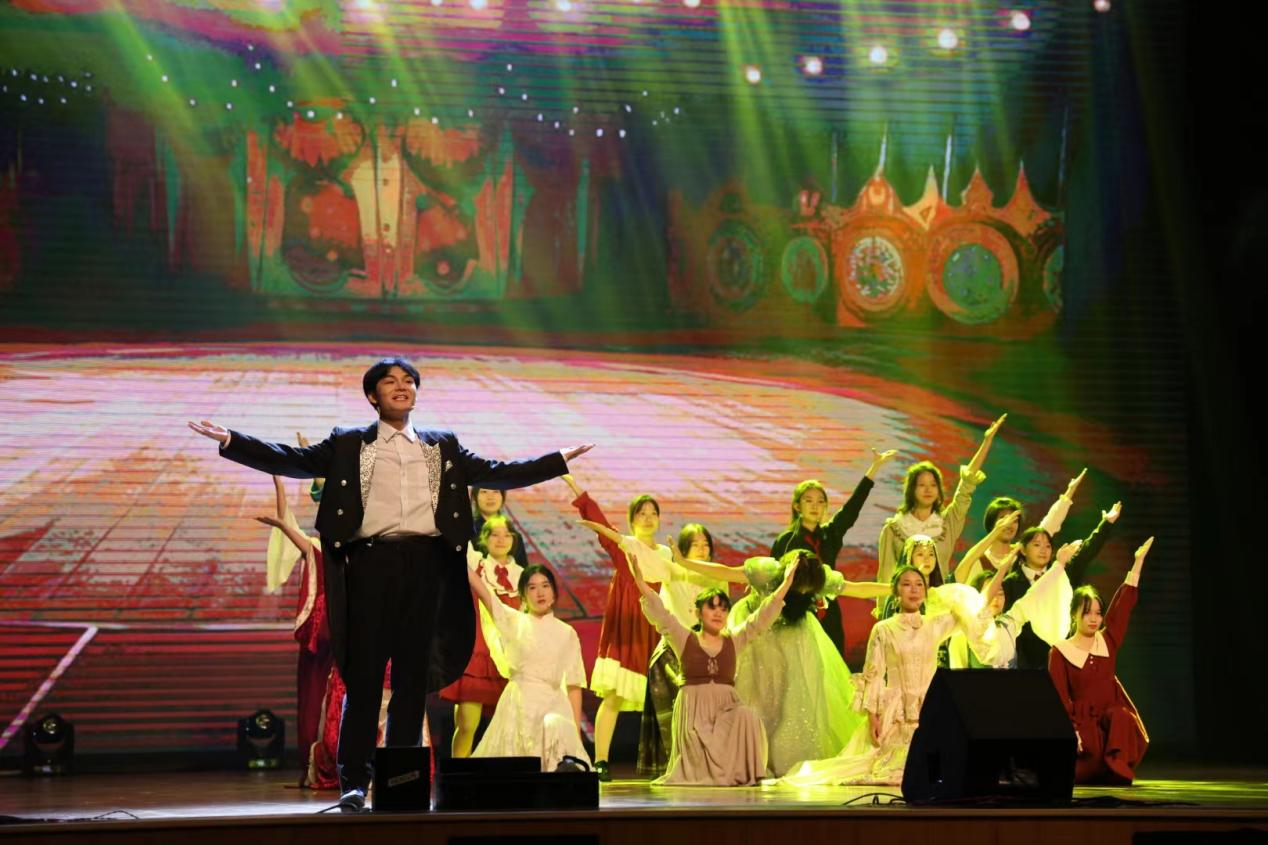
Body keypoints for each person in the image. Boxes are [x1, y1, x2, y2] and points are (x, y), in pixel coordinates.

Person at [187, 357, 592, 811]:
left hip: (427, 565)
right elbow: (295, 460)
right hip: (369, 564)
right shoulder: (348, 442)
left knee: (411, 681)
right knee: (363, 679)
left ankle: (400, 780)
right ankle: (354, 783)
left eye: (409, 381)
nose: (402, 387)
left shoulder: (442, 445)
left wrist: (556, 461)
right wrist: (232, 441)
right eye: (390, 382)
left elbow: (498, 470)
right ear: (372, 395)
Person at [671, 546, 889, 776]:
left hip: (793, 635)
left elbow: (857, 589)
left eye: (807, 591)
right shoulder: (766, 572)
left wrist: (894, 589)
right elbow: (726, 571)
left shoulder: (818, 577)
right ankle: (750, 755)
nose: (803, 592)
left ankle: (785, 758)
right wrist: (684, 562)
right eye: (799, 589)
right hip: (758, 633)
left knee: (795, 694)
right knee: (756, 693)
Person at [568, 476, 703, 781]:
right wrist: (577, 490)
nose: (648, 518)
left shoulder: (666, 554)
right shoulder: (625, 547)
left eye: (653, 513)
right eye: (642, 513)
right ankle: (601, 760)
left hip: (657, 628)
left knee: (668, 699)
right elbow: (602, 525)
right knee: (614, 696)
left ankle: (677, 761)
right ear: (632, 520)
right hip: (628, 628)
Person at [629, 546, 799, 785]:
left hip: (725, 708)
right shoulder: (684, 638)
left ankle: (740, 773)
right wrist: (641, 582)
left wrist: (786, 585)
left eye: (723, 608)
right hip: (694, 710)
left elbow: (760, 619)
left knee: (748, 716)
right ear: (699, 613)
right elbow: (662, 615)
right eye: (712, 607)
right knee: (698, 758)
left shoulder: (734, 640)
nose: (718, 613)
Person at [771, 448, 897, 657]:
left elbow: (851, 509)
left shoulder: (829, 535)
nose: (815, 506)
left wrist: (874, 468)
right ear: (797, 506)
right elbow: (773, 583)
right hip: (797, 616)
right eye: (808, 500)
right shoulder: (786, 541)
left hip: (829, 615)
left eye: (821, 501)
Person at [1049, 537, 1153, 784]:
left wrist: (1137, 562)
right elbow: (1060, 699)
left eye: (1097, 613)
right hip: (1084, 730)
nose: (1094, 619)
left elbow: (1122, 607)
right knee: (1080, 773)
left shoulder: (1107, 640)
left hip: (1111, 727)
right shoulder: (1060, 651)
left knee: (1122, 717)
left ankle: (1116, 764)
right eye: (1087, 613)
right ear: (1074, 615)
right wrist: (1071, 732)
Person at [469, 564, 590, 771]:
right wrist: (458, 553)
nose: (540, 592)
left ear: (554, 592)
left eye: (545, 586)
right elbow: (484, 592)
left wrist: (575, 734)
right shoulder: (514, 621)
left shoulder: (566, 633)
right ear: (523, 596)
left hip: (553, 707)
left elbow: (573, 685)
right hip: (518, 707)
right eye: (532, 587)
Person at [253, 474, 331, 787]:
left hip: (351, 636)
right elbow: (288, 526)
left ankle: (347, 763)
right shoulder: (317, 548)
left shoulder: (361, 549)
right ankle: (316, 763)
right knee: (314, 699)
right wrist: (279, 482)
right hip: (321, 635)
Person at [877, 414, 1006, 588]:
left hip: (939, 600)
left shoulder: (947, 524)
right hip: (904, 602)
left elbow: (966, 486)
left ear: (939, 490)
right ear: (911, 490)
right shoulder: (894, 529)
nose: (928, 490)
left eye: (933, 485)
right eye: (922, 485)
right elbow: (885, 577)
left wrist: (986, 441)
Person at [438, 516, 523, 758]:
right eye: (494, 534)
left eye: (506, 535)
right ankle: (458, 772)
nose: (501, 539)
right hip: (478, 653)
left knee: (509, 728)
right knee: (467, 724)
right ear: (484, 539)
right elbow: (457, 542)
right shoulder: (477, 565)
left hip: (510, 658)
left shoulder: (522, 575)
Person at [1002, 501, 1121, 669]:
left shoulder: (1061, 572)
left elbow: (1086, 552)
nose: (1043, 550)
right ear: (1022, 549)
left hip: (1065, 656)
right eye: (1037, 545)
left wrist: (1106, 523)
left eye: (1048, 545)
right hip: (1028, 662)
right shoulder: (1010, 583)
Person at [953, 467, 1086, 585]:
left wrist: (1070, 491)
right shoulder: (980, 560)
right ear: (992, 522)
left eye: (1014, 520)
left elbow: (1049, 525)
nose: (1009, 524)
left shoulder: (1022, 552)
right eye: (1004, 518)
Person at [470, 487, 531, 569]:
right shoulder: (466, 532)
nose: (490, 497)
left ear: (503, 497)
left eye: (496, 491)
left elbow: (523, 571)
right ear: (474, 498)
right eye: (484, 492)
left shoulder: (514, 535)